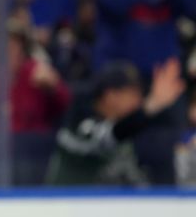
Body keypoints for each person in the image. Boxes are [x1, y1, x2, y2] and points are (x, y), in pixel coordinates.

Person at [47, 58, 184, 185]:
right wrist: (151, 106)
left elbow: (131, 177)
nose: (139, 100)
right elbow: (110, 135)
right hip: (67, 205)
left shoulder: (127, 128)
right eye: (133, 93)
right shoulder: (78, 124)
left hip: (107, 204)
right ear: (111, 95)